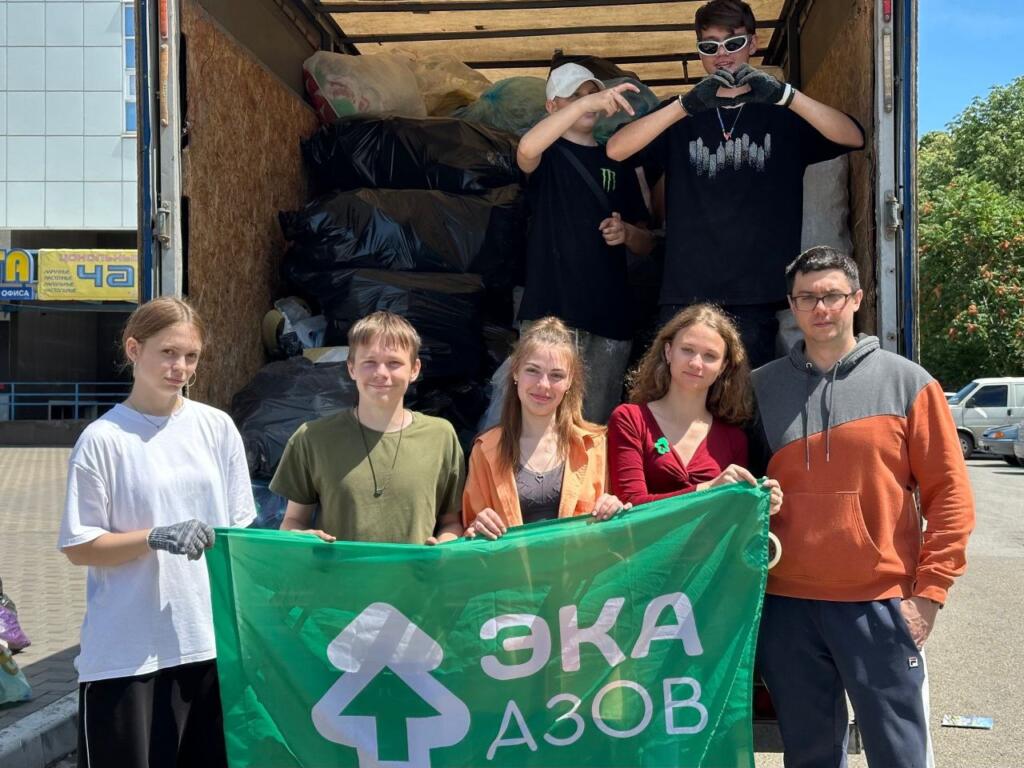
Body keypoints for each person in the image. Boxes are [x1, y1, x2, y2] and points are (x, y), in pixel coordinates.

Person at [750, 246, 975, 767]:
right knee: (808, 756)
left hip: (879, 602)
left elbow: (950, 496)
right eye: (807, 297)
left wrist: (931, 593)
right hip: (787, 606)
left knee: (899, 753)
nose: (820, 307)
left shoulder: (909, 383)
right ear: (792, 305)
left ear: (856, 299)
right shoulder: (761, 386)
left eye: (832, 295)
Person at [606, 0, 865, 368]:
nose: (722, 55)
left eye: (733, 43)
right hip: (685, 290)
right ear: (699, 51)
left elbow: (853, 136)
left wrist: (785, 95)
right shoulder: (679, 114)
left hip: (757, 293)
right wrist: (685, 105)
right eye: (709, 46)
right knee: (677, 395)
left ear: (753, 43)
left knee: (745, 398)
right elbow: (615, 151)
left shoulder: (781, 114)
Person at [58, 297, 256, 768]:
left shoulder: (217, 428)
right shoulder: (104, 439)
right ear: (134, 349)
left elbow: (239, 532)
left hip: (206, 643)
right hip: (128, 655)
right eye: (168, 352)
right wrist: (153, 537)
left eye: (191, 356)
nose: (180, 367)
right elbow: (80, 547)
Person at [515, 61, 655, 423]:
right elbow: (526, 149)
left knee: (594, 426)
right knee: (541, 421)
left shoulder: (616, 157)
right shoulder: (546, 154)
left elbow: (648, 244)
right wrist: (585, 104)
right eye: (574, 96)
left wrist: (627, 233)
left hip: (609, 316)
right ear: (552, 106)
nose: (587, 101)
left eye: (592, 94)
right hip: (550, 313)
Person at [272, 311, 464, 544]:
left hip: (416, 569)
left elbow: (451, 522)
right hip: (338, 569)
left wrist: (443, 546)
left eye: (394, 363)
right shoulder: (312, 438)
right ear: (351, 368)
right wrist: (302, 538)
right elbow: (292, 521)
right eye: (369, 362)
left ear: (414, 369)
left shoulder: (440, 437)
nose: (381, 373)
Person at [608, 304, 782, 515]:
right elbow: (630, 507)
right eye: (687, 350)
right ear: (668, 351)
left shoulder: (734, 439)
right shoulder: (630, 419)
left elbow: (730, 516)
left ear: (723, 366)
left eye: (710, 356)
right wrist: (708, 489)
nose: (696, 363)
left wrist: (760, 505)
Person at [463, 317, 628, 539]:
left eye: (556, 375)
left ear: (570, 381)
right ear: (515, 372)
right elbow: (469, 532)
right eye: (533, 370)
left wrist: (614, 509)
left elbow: (613, 533)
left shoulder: (595, 446)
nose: (543, 385)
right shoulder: (485, 449)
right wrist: (476, 525)